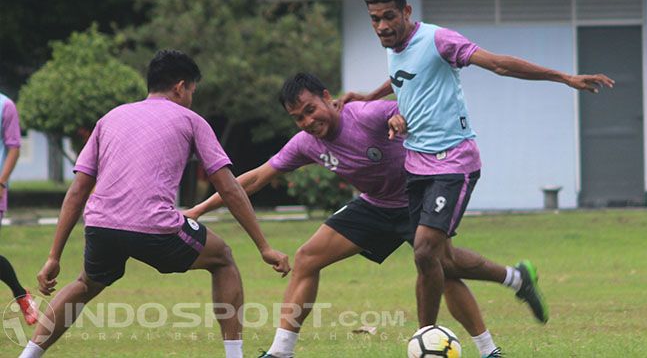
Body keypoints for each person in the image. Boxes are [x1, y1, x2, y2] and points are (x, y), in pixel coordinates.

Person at [185, 72, 544, 358]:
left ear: (327, 98)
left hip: (416, 198)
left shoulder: (364, 115)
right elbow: (256, 178)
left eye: (310, 110)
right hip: (375, 205)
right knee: (308, 257)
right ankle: (281, 351)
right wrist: (200, 209)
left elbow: (400, 108)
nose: (307, 121)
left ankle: (490, 348)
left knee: (442, 268)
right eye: (298, 118)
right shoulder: (306, 143)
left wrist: (400, 119)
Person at [338, 0, 613, 330]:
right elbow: (405, 78)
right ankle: (517, 279)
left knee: (424, 251)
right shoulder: (395, 49)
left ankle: (425, 340)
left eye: (389, 16)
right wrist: (369, 98)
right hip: (416, 165)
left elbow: (498, 63)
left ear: (406, 11)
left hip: (453, 162)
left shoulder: (438, 40)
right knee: (444, 261)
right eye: (375, 19)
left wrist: (564, 77)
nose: (383, 26)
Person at [18, 50, 290, 358]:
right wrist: (264, 246)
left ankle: (27, 356)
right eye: (191, 92)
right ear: (180, 86)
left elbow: (78, 191)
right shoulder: (191, 120)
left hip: (101, 226)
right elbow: (228, 187)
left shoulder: (110, 118)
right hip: (155, 227)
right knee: (223, 258)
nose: (191, 99)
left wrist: (54, 256)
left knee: (84, 284)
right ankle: (234, 356)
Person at [0, 91, 38, 326]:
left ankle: (21, 295)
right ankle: (21, 293)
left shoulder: (5, 106)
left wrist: (2, 181)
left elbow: (14, 146)